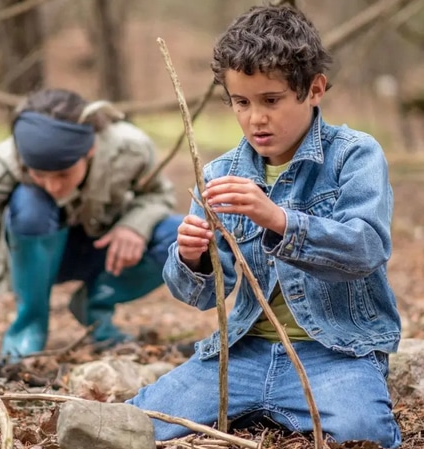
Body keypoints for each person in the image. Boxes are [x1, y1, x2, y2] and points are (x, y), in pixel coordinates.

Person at [127, 5, 401, 448]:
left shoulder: (355, 155)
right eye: (241, 102)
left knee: (363, 435)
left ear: (314, 90)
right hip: (243, 354)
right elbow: (199, 297)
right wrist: (193, 257)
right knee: (136, 423)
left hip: (336, 353)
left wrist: (277, 219)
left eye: (270, 100)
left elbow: (366, 249)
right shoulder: (221, 172)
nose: (255, 118)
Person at [0, 88, 182, 361]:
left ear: (90, 149)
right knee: (30, 202)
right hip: (35, 256)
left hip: (104, 250)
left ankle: (95, 304)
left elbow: (159, 194)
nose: (52, 186)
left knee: (181, 236)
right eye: (39, 174)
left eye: (64, 174)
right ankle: (28, 329)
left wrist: (135, 225)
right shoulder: (10, 157)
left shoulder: (131, 148)